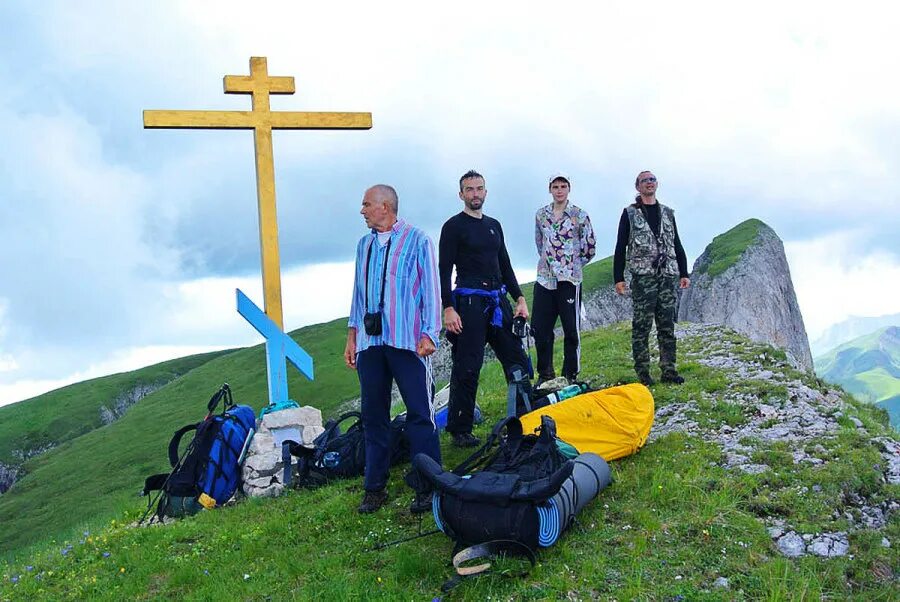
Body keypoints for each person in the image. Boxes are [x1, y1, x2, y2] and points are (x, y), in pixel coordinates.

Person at [344, 184, 442, 514]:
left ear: (385, 206)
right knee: (373, 415)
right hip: (372, 344)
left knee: (419, 413)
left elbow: (431, 288)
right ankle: (374, 488)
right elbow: (357, 294)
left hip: (408, 341)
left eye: (366, 204)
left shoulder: (418, 240)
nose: (362, 211)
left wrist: (430, 333)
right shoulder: (363, 246)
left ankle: (428, 486)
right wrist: (352, 335)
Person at [439, 170, 533, 447]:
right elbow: (443, 270)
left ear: (486, 192)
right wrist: (448, 308)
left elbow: (504, 264)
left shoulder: (494, 225)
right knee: (467, 366)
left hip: (497, 300)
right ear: (461, 195)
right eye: (469, 189)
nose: (475, 194)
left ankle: (525, 414)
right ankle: (460, 429)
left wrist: (519, 298)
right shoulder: (453, 226)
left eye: (479, 188)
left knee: (517, 358)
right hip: (468, 302)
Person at [613, 170, 690, 386]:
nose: (649, 183)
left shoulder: (668, 213)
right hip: (643, 278)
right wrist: (618, 277)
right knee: (642, 326)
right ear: (637, 187)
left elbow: (677, 243)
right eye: (644, 180)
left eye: (652, 179)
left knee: (667, 325)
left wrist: (684, 272)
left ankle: (669, 370)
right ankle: (643, 374)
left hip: (667, 276)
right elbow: (621, 246)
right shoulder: (629, 213)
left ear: (657, 184)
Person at [531, 173, 596, 386]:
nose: (559, 190)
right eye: (555, 186)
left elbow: (589, 247)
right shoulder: (541, 215)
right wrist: (550, 262)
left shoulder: (580, 215)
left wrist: (573, 264)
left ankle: (570, 374)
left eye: (563, 186)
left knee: (570, 329)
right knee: (540, 328)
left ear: (569, 188)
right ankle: (546, 374)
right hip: (545, 279)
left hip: (570, 280)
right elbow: (540, 243)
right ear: (550, 189)